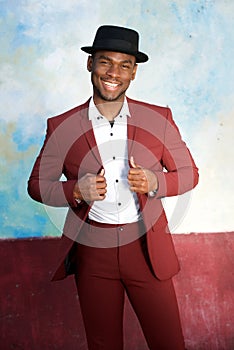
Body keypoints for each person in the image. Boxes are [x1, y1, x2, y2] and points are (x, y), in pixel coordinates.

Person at [28, 25, 199, 350]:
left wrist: (156, 182)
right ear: (90, 63)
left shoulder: (158, 118)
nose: (113, 73)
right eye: (105, 62)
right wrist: (76, 190)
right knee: (103, 344)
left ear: (134, 72)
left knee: (169, 343)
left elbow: (190, 173)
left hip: (147, 251)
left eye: (124, 65)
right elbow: (37, 185)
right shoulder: (60, 126)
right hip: (93, 253)